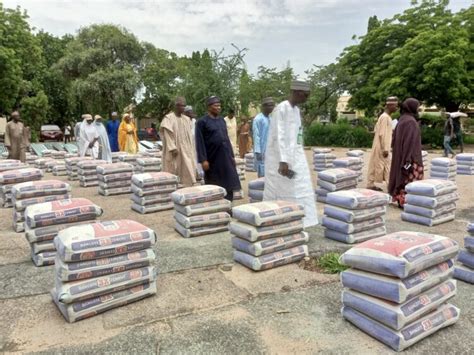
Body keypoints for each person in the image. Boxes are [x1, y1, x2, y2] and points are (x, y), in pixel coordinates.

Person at [263, 80, 318, 228]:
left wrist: (297, 156)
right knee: (280, 189)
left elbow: (298, 135)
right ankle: (279, 221)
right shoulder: (281, 109)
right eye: (305, 95)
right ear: (297, 92)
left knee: (300, 187)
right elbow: (278, 136)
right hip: (280, 159)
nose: (306, 98)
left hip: (296, 156)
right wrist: (283, 160)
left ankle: (298, 220)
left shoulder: (296, 110)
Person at [195, 96, 241, 201]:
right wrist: (203, 160)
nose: (219, 107)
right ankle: (216, 205)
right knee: (214, 183)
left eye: (219, 105)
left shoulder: (222, 121)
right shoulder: (202, 122)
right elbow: (199, 142)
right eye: (216, 106)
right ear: (209, 107)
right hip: (212, 158)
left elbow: (226, 138)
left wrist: (232, 156)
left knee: (229, 181)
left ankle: (228, 205)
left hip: (225, 156)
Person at [388, 98, 424, 208]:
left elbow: (394, 141)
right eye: (417, 107)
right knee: (411, 179)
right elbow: (410, 143)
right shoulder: (411, 122)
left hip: (401, 157)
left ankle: (400, 199)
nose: (418, 109)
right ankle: (406, 201)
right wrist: (407, 161)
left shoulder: (402, 120)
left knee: (402, 176)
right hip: (411, 158)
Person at [160, 97, 197, 187]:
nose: (183, 108)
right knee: (174, 168)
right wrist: (172, 148)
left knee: (188, 167)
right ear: (176, 106)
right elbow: (167, 134)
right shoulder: (168, 119)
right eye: (181, 106)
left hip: (186, 148)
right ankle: (173, 186)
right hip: (174, 149)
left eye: (184, 106)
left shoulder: (186, 119)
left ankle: (188, 184)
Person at [367, 97, 399, 191]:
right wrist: (385, 149)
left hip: (378, 145)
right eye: (396, 106)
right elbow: (383, 134)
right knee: (387, 167)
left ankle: (370, 184)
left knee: (375, 164)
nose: (397, 108)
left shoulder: (384, 117)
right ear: (390, 105)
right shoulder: (385, 117)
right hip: (382, 146)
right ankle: (391, 188)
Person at [253, 97, 275, 177]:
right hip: (262, 150)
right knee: (262, 172)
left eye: (273, 105)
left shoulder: (270, 118)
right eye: (270, 105)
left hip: (270, 149)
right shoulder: (258, 119)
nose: (272, 107)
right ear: (264, 106)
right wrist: (258, 151)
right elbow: (256, 136)